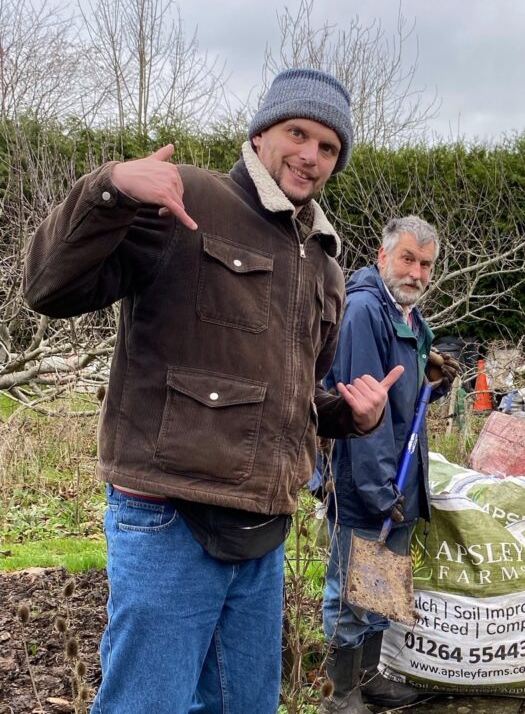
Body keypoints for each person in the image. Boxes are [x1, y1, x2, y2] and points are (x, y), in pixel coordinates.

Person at [22, 68, 402, 714]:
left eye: (329, 147)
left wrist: (352, 415)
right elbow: (47, 287)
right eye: (298, 132)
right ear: (261, 133)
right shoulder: (187, 201)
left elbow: (289, 400)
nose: (310, 155)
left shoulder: (326, 266)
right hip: (170, 518)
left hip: (263, 533)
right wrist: (109, 189)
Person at [319, 217, 457, 714]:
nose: (417, 272)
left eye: (425, 264)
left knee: (381, 587)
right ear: (382, 256)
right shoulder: (363, 312)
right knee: (354, 590)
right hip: (364, 480)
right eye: (407, 259)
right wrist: (380, 492)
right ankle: (340, 695)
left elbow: (401, 399)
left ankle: (371, 679)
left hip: (397, 479)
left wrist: (432, 381)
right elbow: (363, 412)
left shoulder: (406, 316)